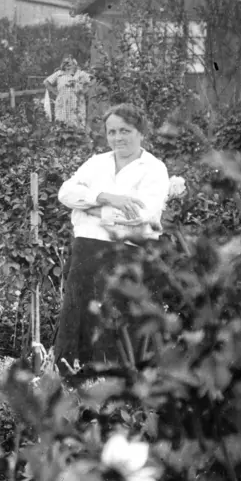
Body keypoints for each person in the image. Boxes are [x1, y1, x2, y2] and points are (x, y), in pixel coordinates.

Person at [53, 103, 170, 374]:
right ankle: (73, 383)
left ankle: (113, 387)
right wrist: (108, 198)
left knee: (117, 321)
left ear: (140, 131)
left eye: (125, 131)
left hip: (126, 253)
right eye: (112, 132)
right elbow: (65, 193)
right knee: (79, 318)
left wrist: (91, 208)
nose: (118, 138)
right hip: (86, 252)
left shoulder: (154, 169)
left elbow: (142, 215)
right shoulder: (96, 163)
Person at [44, 56, 92, 129]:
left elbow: (93, 80)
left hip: (77, 104)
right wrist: (55, 92)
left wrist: (85, 90)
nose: (68, 65)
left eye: (70, 63)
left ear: (75, 64)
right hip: (62, 105)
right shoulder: (59, 74)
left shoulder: (81, 74)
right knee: (61, 126)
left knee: (78, 126)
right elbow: (46, 82)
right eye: (66, 63)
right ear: (63, 65)